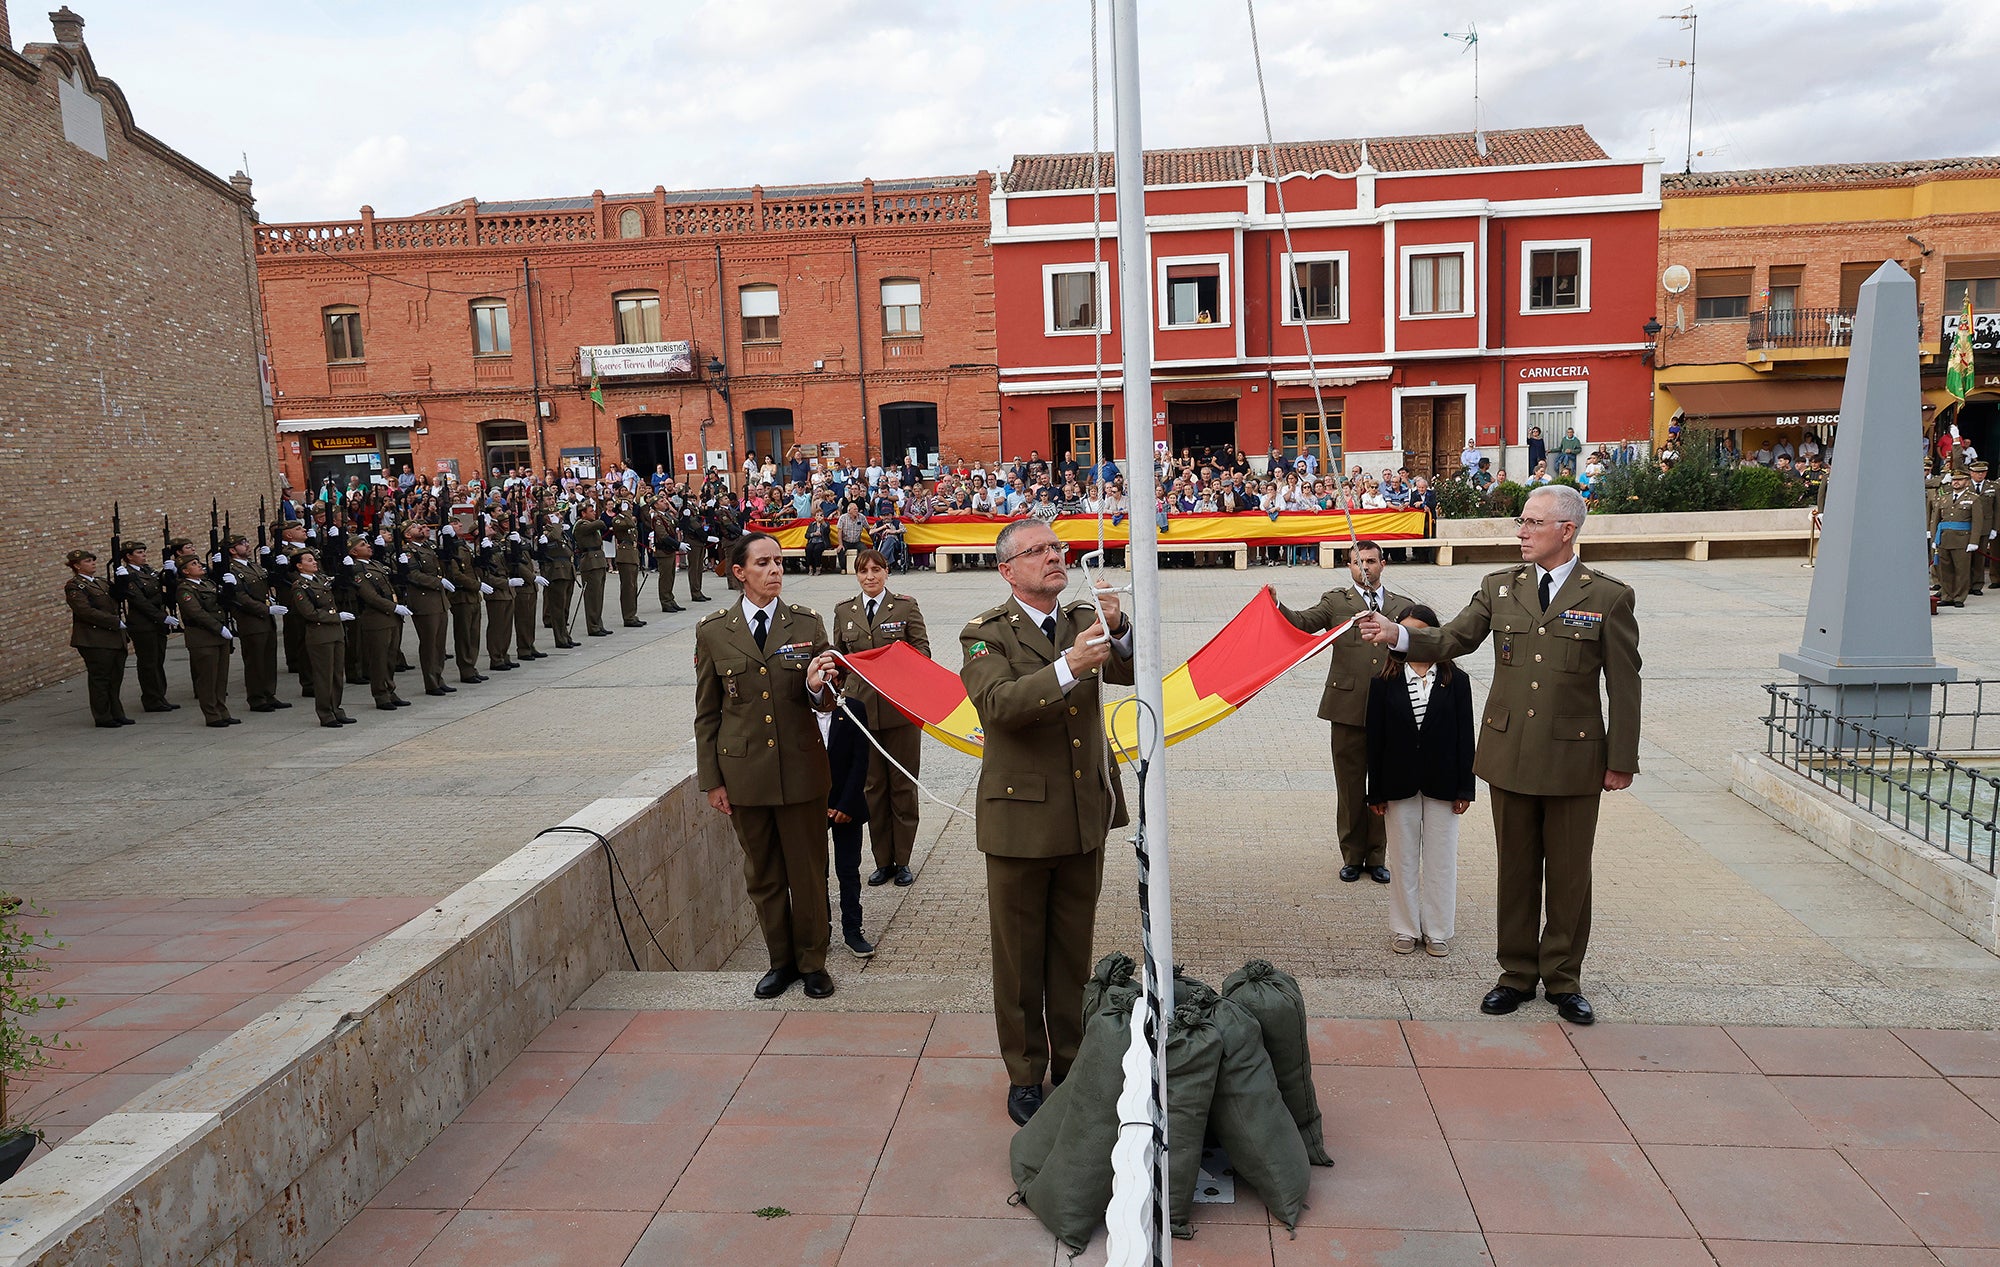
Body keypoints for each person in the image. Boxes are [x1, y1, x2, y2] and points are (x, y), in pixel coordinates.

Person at [1358, 484, 1641, 1026]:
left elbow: (1625, 683)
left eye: (1533, 522)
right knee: (1515, 871)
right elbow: (1453, 640)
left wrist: (1620, 759)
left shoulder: (1608, 596)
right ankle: (1515, 975)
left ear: (1567, 530)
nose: (1521, 531)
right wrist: (1398, 636)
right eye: (1521, 521)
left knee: (1568, 874)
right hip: (1508, 755)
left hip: (1574, 761)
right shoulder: (1500, 587)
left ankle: (1562, 978)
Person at [961, 519, 1134, 1125]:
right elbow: (997, 706)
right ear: (1008, 570)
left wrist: (1120, 628)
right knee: (1018, 959)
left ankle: (1072, 1061)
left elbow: (1127, 672)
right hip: (1019, 822)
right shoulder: (984, 633)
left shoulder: (1077, 618)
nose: (1053, 558)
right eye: (1036, 552)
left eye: (1056, 548)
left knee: (1070, 954)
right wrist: (1067, 666)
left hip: (1084, 813)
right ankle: (1025, 1073)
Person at [694, 532, 843, 1001]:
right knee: (763, 875)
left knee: (808, 871)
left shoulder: (807, 624)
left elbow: (828, 701)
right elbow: (707, 712)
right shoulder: (715, 630)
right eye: (764, 563)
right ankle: (780, 962)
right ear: (740, 572)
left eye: (779, 562)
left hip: (801, 770)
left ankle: (813, 963)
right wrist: (712, 780)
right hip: (745, 775)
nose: (775, 570)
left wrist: (819, 687)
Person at [1278, 540, 1413, 884]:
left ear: (1384, 564)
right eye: (1357, 562)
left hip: (1390, 710)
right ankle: (1353, 856)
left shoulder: (1402, 605)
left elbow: (1421, 643)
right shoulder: (1337, 601)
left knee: (1383, 786)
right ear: (1348, 567)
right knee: (1351, 786)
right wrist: (1276, 606)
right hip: (1347, 708)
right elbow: (1304, 622)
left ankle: (1377, 856)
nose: (1364, 568)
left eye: (1370, 561)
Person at [1366, 604, 1475, 957]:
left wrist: (1465, 787)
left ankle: (1439, 929)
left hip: (1443, 784)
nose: (1412, 641)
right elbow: (1375, 739)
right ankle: (1405, 927)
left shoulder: (1456, 681)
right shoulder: (1383, 682)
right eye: (1404, 633)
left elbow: (1465, 736)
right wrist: (1375, 791)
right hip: (1398, 784)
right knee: (1403, 858)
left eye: (1420, 633)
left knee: (1441, 859)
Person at [833, 550, 930, 890]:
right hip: (862, 712)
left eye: (876, 570)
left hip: (899, 709)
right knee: (872, 787)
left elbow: (922, 651)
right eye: (863, 571)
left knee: (902, 785)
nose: (870, 576)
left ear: (887, 572)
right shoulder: (845, 610)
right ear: (856, 575)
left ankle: (903, 859)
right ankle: (882, 860)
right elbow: (840, 660)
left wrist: (894, 668)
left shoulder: (905, 606)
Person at [822, 699, 875, 959]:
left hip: (848, 806)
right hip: (812, 806)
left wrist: (846, 804)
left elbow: (860, 760)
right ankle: (820, 931)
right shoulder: (796, 709)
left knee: (848, 870)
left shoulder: (853, 709)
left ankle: (853, 930)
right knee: (814, 873)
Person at [65, 547, 133, 728]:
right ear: (77, 566)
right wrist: (114, 621)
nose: (93, 563)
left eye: (93, 560)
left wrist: (123, 580)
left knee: (115, 677)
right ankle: (103, 716)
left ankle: (116, 713)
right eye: (87, 561)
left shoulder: (101, 582)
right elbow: (85, 611)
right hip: (94, 639)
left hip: (114, 637)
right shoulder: (75, 586)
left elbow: (118, 597)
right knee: (101, 678)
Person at [290, 548, 355, 727]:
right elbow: (309, 613)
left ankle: (337, 709)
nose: (314, 562)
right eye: (309, 560)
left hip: (335, 632)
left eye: (314, 559)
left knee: (336, 675)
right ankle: (325, 713)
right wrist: (336, 617)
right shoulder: (299, 586)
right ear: (299, 565)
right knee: (324, 676)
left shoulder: (320, 579)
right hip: (320, 635)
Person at [223, 534, 287, 714]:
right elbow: (240, 597)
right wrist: (265, 610)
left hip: (266, 619)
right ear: (232, 549)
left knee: (268, 659)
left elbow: (268, 583)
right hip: (251, 621)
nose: (247, 545)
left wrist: (279, 566)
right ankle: (257, 698)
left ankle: (269, 694)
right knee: (255, 661)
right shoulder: (231, 570)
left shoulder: (253, 565)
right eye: (242, 544)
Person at [176, 553, 239, 727]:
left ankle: (222, 711)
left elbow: (222, 603)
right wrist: (219, 628)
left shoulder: (208, 584)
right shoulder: (185, 589)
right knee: (208, 679)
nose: (200, 566)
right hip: (202, 638)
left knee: (221, 677)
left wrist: (230, 587)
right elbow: (197, 613)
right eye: (194, 564)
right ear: (186, 571)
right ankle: (212, 715)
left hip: (219, 637)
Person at [115, 541, 178, 714]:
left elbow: (161, 588)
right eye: (140, 552)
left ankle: (160, 697)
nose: (144, 555)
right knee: (148, 663)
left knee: (158, 661)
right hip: (143, 625)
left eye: (144, 552)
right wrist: (163, 617)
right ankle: (151, 699)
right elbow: (140, 602)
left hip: (156, 624)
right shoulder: (126, 574)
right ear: (129, 556)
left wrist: (172, 572)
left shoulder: (147, 570)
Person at [349, 536, 410, 710]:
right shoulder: (357, 569)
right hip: (376, 618)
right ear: (354, 552)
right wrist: (394, 607)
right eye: (363, 545)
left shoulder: (375, 564)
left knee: (391, 658)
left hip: (391, 616)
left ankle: (390, 690)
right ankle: (381, 695)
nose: (368, 546)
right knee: (379, 659)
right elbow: (370, 597)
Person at [1930, 468, 1987, 608]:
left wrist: (1974, 541)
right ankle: (1947, 595)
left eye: (1960, 480)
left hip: (1962, 540)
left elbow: (1977, 522)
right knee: (1945, 570)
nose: (1956, 482)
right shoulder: (1944, 498)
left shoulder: (1973, 499)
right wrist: (1934, 539)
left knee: (1961, 570)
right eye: (1954, 480)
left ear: (1967, 482)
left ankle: (1959, 597)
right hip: (1944, 539)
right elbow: (1936, 520)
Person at [573, 502, 612, 635]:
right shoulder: (580, 525)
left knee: (598, 596)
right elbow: (601, 524)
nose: (593, 513)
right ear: (583, 513)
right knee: (592, 597)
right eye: (591, 511)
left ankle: (598, 623)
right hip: (590, 563)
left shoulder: (589, 525)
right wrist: (601, 518)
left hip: (598, 561)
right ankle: (593, 626)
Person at [611, 501, 646, 628]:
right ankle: (628, 617)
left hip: (632, 554)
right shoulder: (617, 520)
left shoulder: (626, 518)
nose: (630, 507)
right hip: (625, 556)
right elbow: (630, 524)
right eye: (627, 505)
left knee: (633, 587)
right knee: (627, 588)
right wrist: (625, 513)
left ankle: (632, 615)